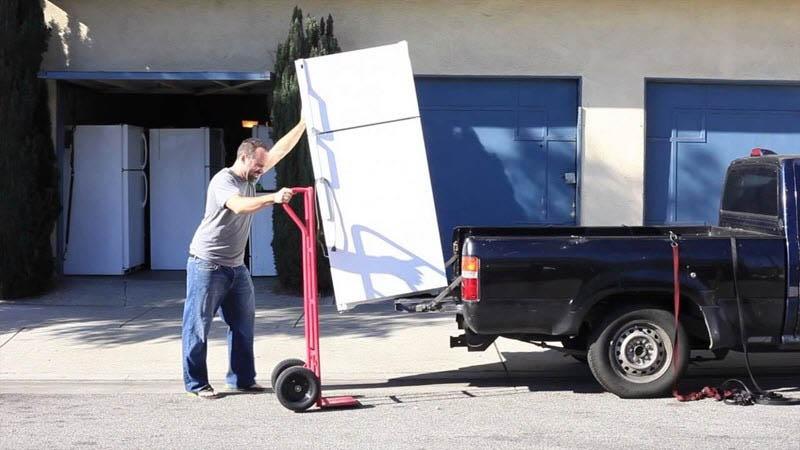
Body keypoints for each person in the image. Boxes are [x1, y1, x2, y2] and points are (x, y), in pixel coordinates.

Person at [182, 118, 307, 398]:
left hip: (236, 267)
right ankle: (196, 384)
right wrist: (272, 198)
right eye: (258, 165)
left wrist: (303, 123)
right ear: (243, 158)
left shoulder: (252, 175)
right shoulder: (224, 181)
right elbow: (239, 206)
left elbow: (280, 151)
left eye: (263, 166)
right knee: (197, 326)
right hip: (207, 264)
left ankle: (241, 379)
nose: (262, 170)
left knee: (243, 325)